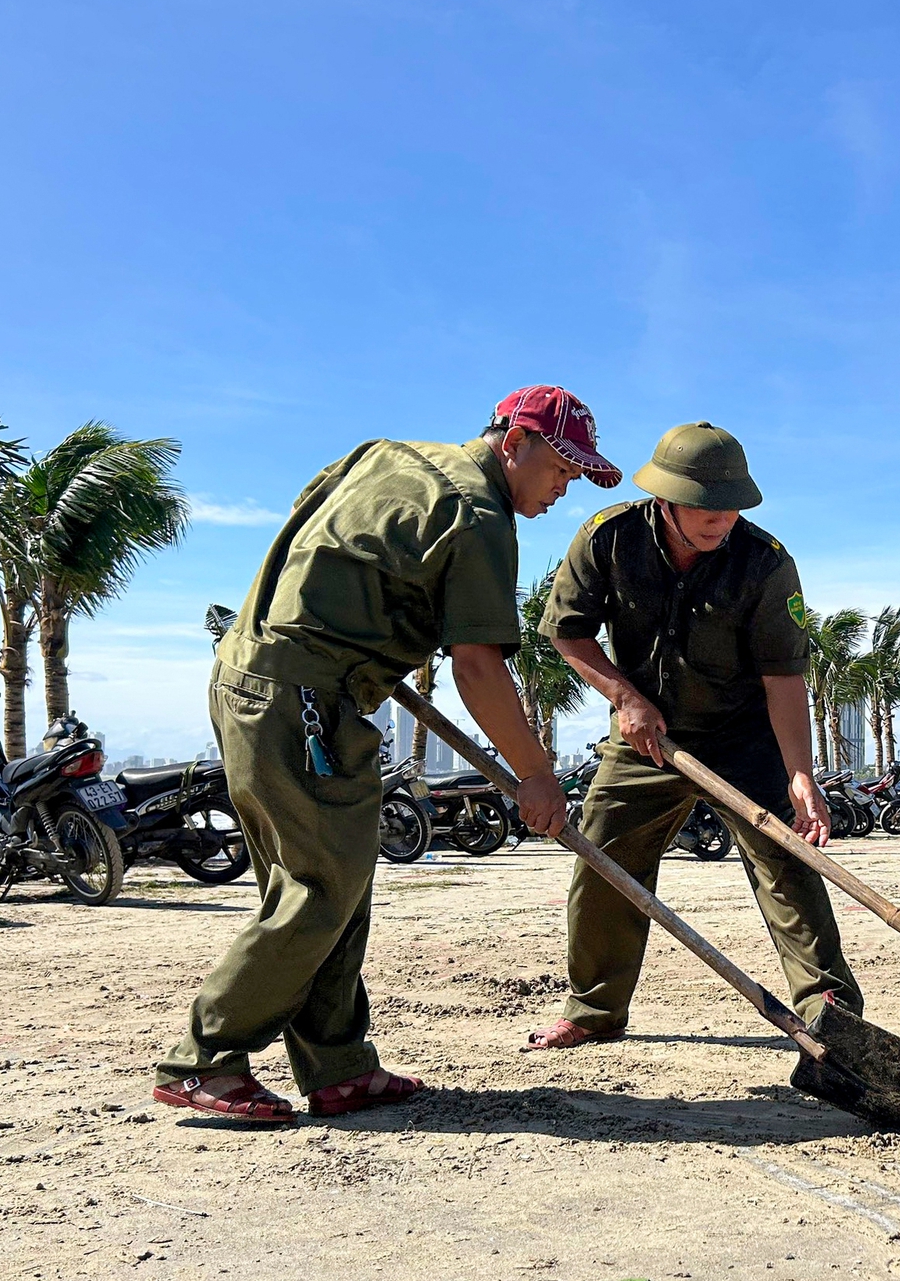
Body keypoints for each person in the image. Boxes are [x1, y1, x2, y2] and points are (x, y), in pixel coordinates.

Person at [153, 387, 620, 1122]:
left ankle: (338, 1068)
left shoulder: (389, 456)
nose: (565, 487)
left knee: (337, 885)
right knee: (318, 891)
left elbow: (314, 539)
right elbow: (477, 667)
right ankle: (204, 1059)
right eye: (562, 467)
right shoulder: (480, 516)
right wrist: (535, 775)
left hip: (257, 678)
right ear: (515, 444)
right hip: (306, 701)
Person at [527, 421, 863, 1048]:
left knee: (789, 863)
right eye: (708, 508)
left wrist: (799, 775)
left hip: (744, 739)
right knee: (604, 858)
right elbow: (567, 631)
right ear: (665, 498)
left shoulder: (765, 562)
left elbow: (783, 677)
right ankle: (594, 1010)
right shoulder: (608, 539)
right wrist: (625, 699)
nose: (722, 520)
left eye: (733, 507)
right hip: (645, 737)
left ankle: (830, 1014)